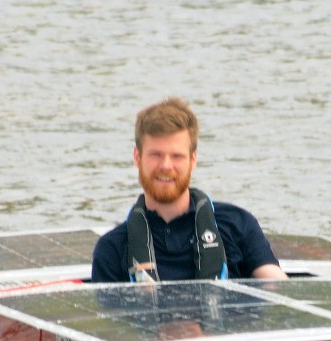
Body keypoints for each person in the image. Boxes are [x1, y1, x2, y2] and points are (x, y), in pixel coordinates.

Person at [91, 98, 287, 283]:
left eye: (177, 156)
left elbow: (278, 287)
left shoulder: (238, 224)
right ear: (137, 157)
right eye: (156, 155)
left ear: (193, 160)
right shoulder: (112, 249)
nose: (166, 166)